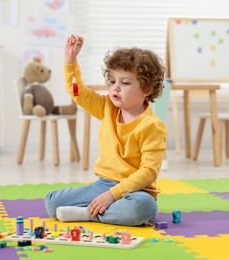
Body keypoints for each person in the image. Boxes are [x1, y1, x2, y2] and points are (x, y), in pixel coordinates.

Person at [44, 35, 167, 226]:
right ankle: (100, 211)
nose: (115, 88)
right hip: (104, 184)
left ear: (147, 89)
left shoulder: (152, 126)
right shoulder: (107, 107)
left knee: (143, 208)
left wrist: (113, 195)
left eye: (125, 83)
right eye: (111, 81)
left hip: (136, 191)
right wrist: (71, 61)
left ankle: (88, 213)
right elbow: (78, 93)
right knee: (52, 202)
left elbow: (148, 173)